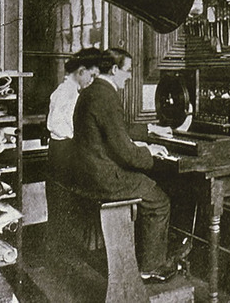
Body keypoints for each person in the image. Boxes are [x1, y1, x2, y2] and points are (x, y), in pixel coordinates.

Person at [72, 48, 184, 282]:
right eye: (128, 70)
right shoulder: (106, 96)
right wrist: (149, 151)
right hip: (105, 177)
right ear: (114, 69)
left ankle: (147, 253)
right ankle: (151, 266)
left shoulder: (91, 91)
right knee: (159, 201)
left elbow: (116, 128)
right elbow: (127, 154)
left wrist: (150, 129)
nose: (130, 76)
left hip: (89, 172)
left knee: (150, 185)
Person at [46, 47, 101, 183]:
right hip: (62, 150)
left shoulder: (73, 91)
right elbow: (54, 123)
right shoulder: (65, 91)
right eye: (92, 76)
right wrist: (77, 136)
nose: (92, 81)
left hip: (68, 148)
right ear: (81, 71)